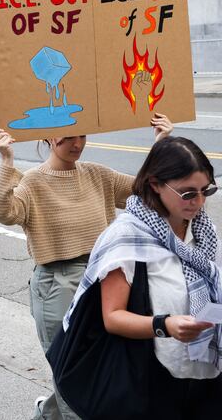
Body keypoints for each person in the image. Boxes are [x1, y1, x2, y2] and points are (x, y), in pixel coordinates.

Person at [0, 114, 173, 420]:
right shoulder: (33, 181)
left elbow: (145, 193)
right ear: (48, 137)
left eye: (83, 135)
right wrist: (6, 159)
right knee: (72, 373)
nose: (77, 144)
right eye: (68, 137)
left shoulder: (96, 174)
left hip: (102, 279)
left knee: (95, 370)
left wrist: (160, 145)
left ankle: (46, 415)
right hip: (57, 284)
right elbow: (4, 211)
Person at [65, 136, 222, 417]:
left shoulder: (203, 230)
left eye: (205, 191)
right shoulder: (127, 237)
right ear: (156, 184)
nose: (198, 202)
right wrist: (165, 325)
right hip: (150, 376)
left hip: (207, 371)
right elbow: (112, 317)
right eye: (188, 193)